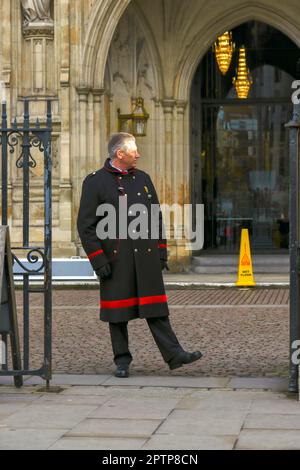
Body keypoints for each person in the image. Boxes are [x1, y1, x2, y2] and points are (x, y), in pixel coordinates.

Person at [77, 132, 202, 378]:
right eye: (134, 151)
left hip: (145, 258)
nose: (139, 154)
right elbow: (86, 226)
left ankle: (175, 354)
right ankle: (122, 360)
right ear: (119, 154)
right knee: (117, 314)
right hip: (116, 259)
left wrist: (161, 252)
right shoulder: (94, 182)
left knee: (156, 310)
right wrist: (98, 258)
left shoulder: (143, 178)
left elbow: (156, 217)